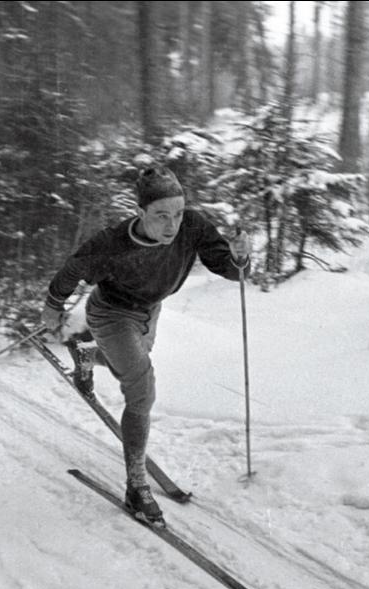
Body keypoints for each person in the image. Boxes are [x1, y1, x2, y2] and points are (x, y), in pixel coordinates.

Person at [41, 165, 251, 525]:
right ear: (140, 213)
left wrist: (240, 257)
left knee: (133, 366)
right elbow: (71, 270)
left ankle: (88, 356)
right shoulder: (111, 244)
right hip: (110, 314)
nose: (172, 225)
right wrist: (52, 307)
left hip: (149, 310)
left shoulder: (193, 226)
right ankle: (136, 485)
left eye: (179, 213)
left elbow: (231, 270)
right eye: (161, 215)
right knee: (142, 390)